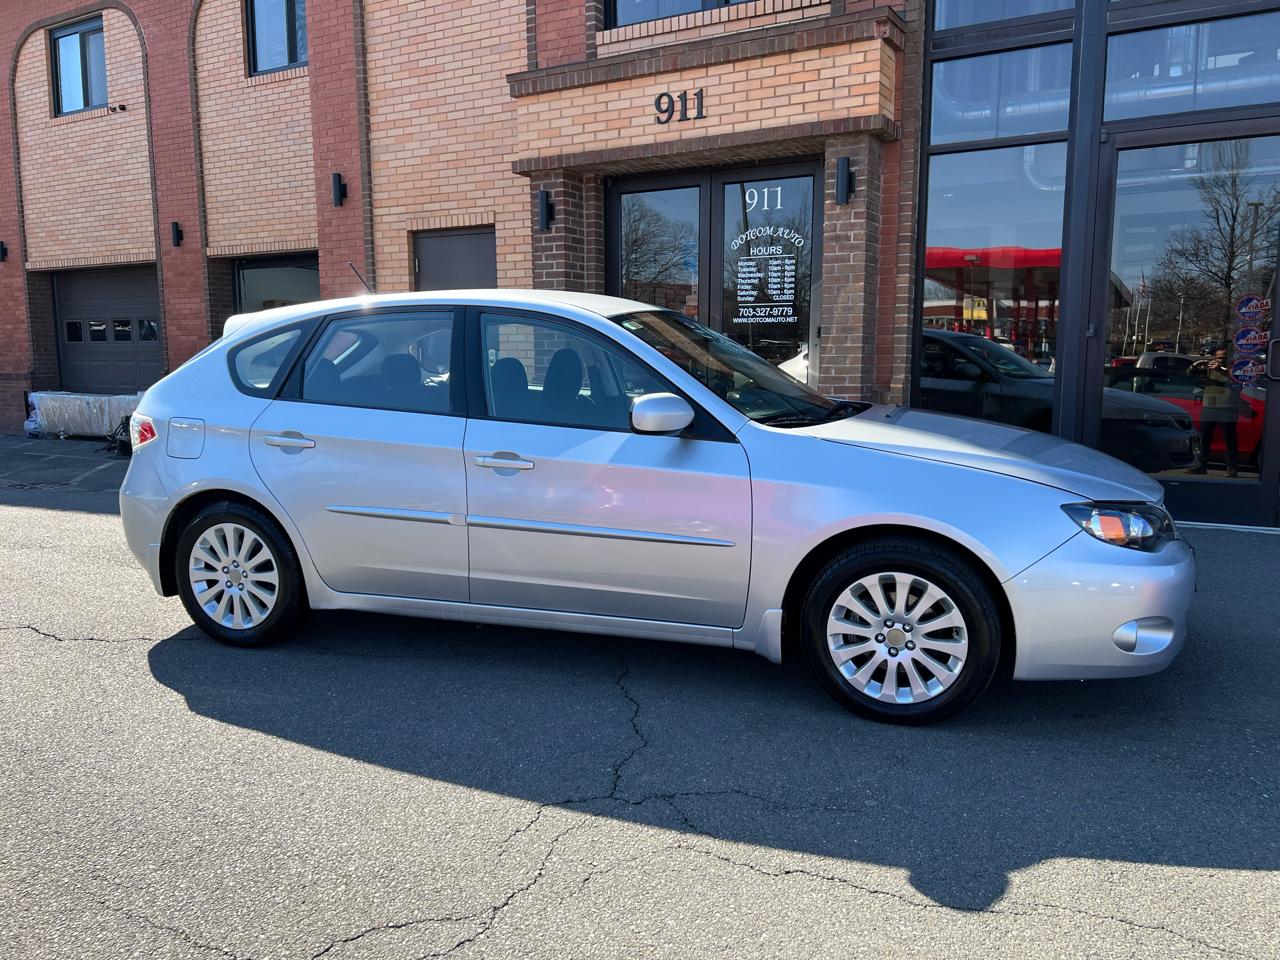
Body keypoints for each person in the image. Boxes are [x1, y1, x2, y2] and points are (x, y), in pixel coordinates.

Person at [1187, 346, 1241, 478]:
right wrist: (1195, 365)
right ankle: (1200, 466)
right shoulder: (1210, 368)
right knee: (1204, 438)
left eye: (1223, 358)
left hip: (1227, 408)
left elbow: (1236, 382)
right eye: (1218, 357)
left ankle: (1231, 468)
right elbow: (1189, 374)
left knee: (1229, 439)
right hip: (1209, 407)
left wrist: (1220, 369)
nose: (1220, 360)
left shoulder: (1235, 368)